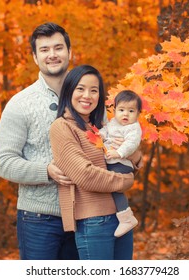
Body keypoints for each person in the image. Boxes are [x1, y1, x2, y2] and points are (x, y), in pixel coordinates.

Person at [0, 22, 79, 260]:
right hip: (38, 219)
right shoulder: (20, 104)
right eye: (44, 50)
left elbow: (107, 144)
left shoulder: (88, 96)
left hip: (86, 216)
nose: (52, 55)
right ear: (35, 57)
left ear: (69, 52)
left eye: (58, 47)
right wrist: (47, 171)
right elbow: (3, 162)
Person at [49, 64, 142, 260]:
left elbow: (120, 160)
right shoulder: (62, 127)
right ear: (69, 90)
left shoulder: (98, 127)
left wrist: (133, 156)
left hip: (121, 217)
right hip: (94, 222)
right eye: (80, 88)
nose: (87, 95)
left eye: (94, 90)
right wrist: (125, 181)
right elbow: (85, 175)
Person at [99, 90, 142, 238]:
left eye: (131, 111)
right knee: (112, 189)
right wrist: (100, 134)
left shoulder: (133, 128)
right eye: (121, 110)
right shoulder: (113, 123)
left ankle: (126, 218)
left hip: (121, 162)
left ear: (137, 114)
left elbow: (131, 143)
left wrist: (120, 153)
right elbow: (106, 131)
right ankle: (123, 216)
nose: (126, 114)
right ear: (115, 110)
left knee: (115, 188)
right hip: (112, 160)